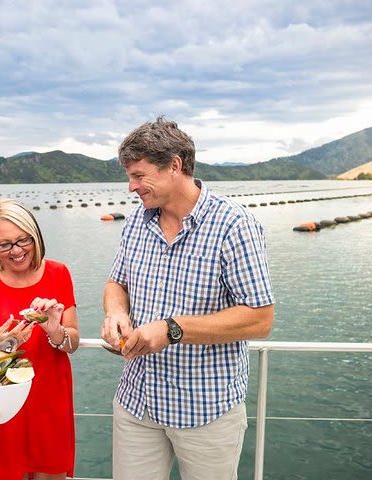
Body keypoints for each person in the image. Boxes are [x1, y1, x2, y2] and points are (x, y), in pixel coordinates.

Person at [101, 117, 275, 480]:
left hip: (205, 410)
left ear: (175, 166)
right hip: (137, 402)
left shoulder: (234, 225)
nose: (131, 188)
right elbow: (117, 282)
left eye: (138, 175)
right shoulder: (137, 222)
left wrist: (172, 329)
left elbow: (260, 319)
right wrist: (116, 313)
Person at [0, 199, 79, 480]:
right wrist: (3, 344)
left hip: (51, 403)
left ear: (34, 236)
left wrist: (54, 329)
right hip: (2, 407)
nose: (16, 251)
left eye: (22, 240)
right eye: (4, 245)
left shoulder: (59, 273)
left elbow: (72, 343)